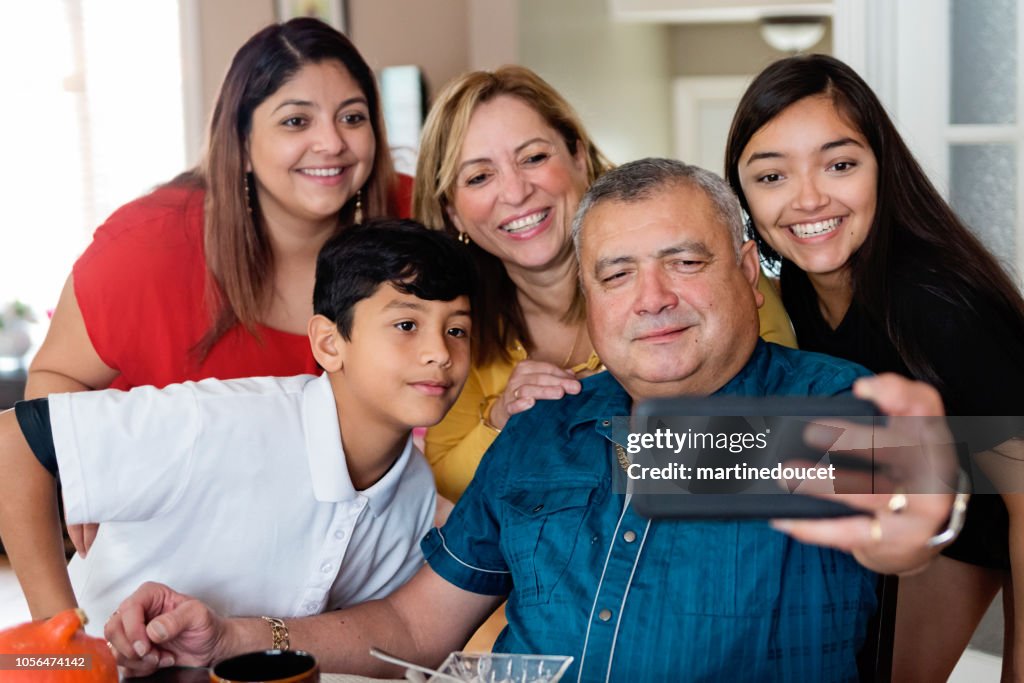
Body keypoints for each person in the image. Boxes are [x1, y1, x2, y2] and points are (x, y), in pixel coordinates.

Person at [103, 159, 961, 681]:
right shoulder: (544, 428)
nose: (651, 298)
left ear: (745, 268)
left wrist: (919, 506)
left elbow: (898, 518)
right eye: (616, 274)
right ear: (588, 304)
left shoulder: (828, 404)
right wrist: (236, 635)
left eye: (684, 261)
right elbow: (411, 628)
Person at [26, 17, 411, 556]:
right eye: (296, 121)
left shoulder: (413, 220)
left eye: (353, 117)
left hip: (349, 552)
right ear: (242, 140)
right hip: (174, 546)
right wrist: (75, 479)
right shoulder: (147, 247)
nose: (331, 143)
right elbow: (57, 372)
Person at [0, 220, 473, 641]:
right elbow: (12, 442)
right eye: (407, 324)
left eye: (457, 330)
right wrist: (58, 639)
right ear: (329, 344)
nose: (440, 352)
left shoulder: (414, 494)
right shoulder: (218, 423)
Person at [724, 53, 1024, 681]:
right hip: (888, 497)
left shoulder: (940, 305)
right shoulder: (793, 294)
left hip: (982, 519)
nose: (808, 200)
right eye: (772, 176)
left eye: (839, 165)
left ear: (882, 170)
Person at [413, 66, 797, 504]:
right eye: (479, 176)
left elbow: (806, 445)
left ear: (578, 156)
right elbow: (442, 481)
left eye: (534, 157)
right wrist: (502, 418)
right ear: (453, 212)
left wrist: (573, 434)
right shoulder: (460, 324)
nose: (515, 192)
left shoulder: (702, 264)